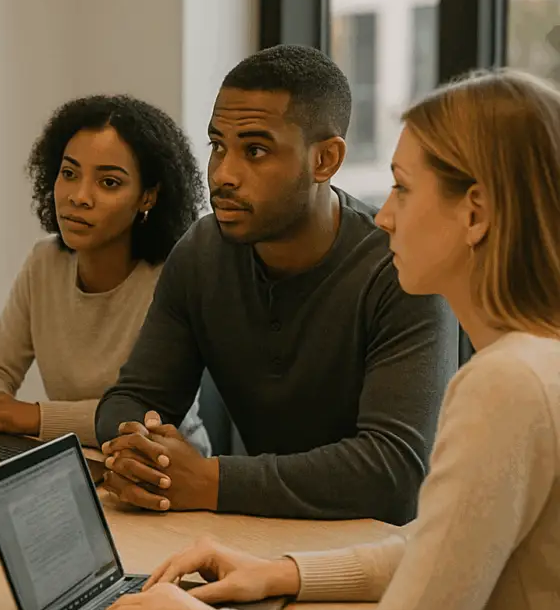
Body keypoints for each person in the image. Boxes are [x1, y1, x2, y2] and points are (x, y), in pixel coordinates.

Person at [106, 68, 560, 610]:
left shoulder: (506, 384)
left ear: (476, 213)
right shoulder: (532, 364)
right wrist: (283, 572)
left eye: (403, 188)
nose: (385, 216)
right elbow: (434, 548)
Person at [95, 45, 457, 524]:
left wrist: (210, 480)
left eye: (256, 151)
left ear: (325, 160)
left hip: (396, 559)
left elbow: (394, 474)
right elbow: (134, 397)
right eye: (217, 145)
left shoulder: (402, 270)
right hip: (263, 539)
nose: (223, 175)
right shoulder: (202, 253)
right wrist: (143, 450)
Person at [0, 95, 210, 452]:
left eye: (109, 183)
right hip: (75, 460)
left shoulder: (172, 279)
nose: (79, 197)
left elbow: (151, 414)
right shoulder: (44, 263)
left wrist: (35, 416)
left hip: (162, 471)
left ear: (148, 197)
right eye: (69, 174)